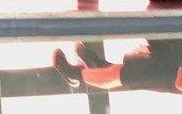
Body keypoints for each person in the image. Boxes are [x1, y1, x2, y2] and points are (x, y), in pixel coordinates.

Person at [53, 38, 182, 93]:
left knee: (123, 74)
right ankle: (95, 66)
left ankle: (76, 75)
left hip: (173, 74)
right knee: (130, 69)